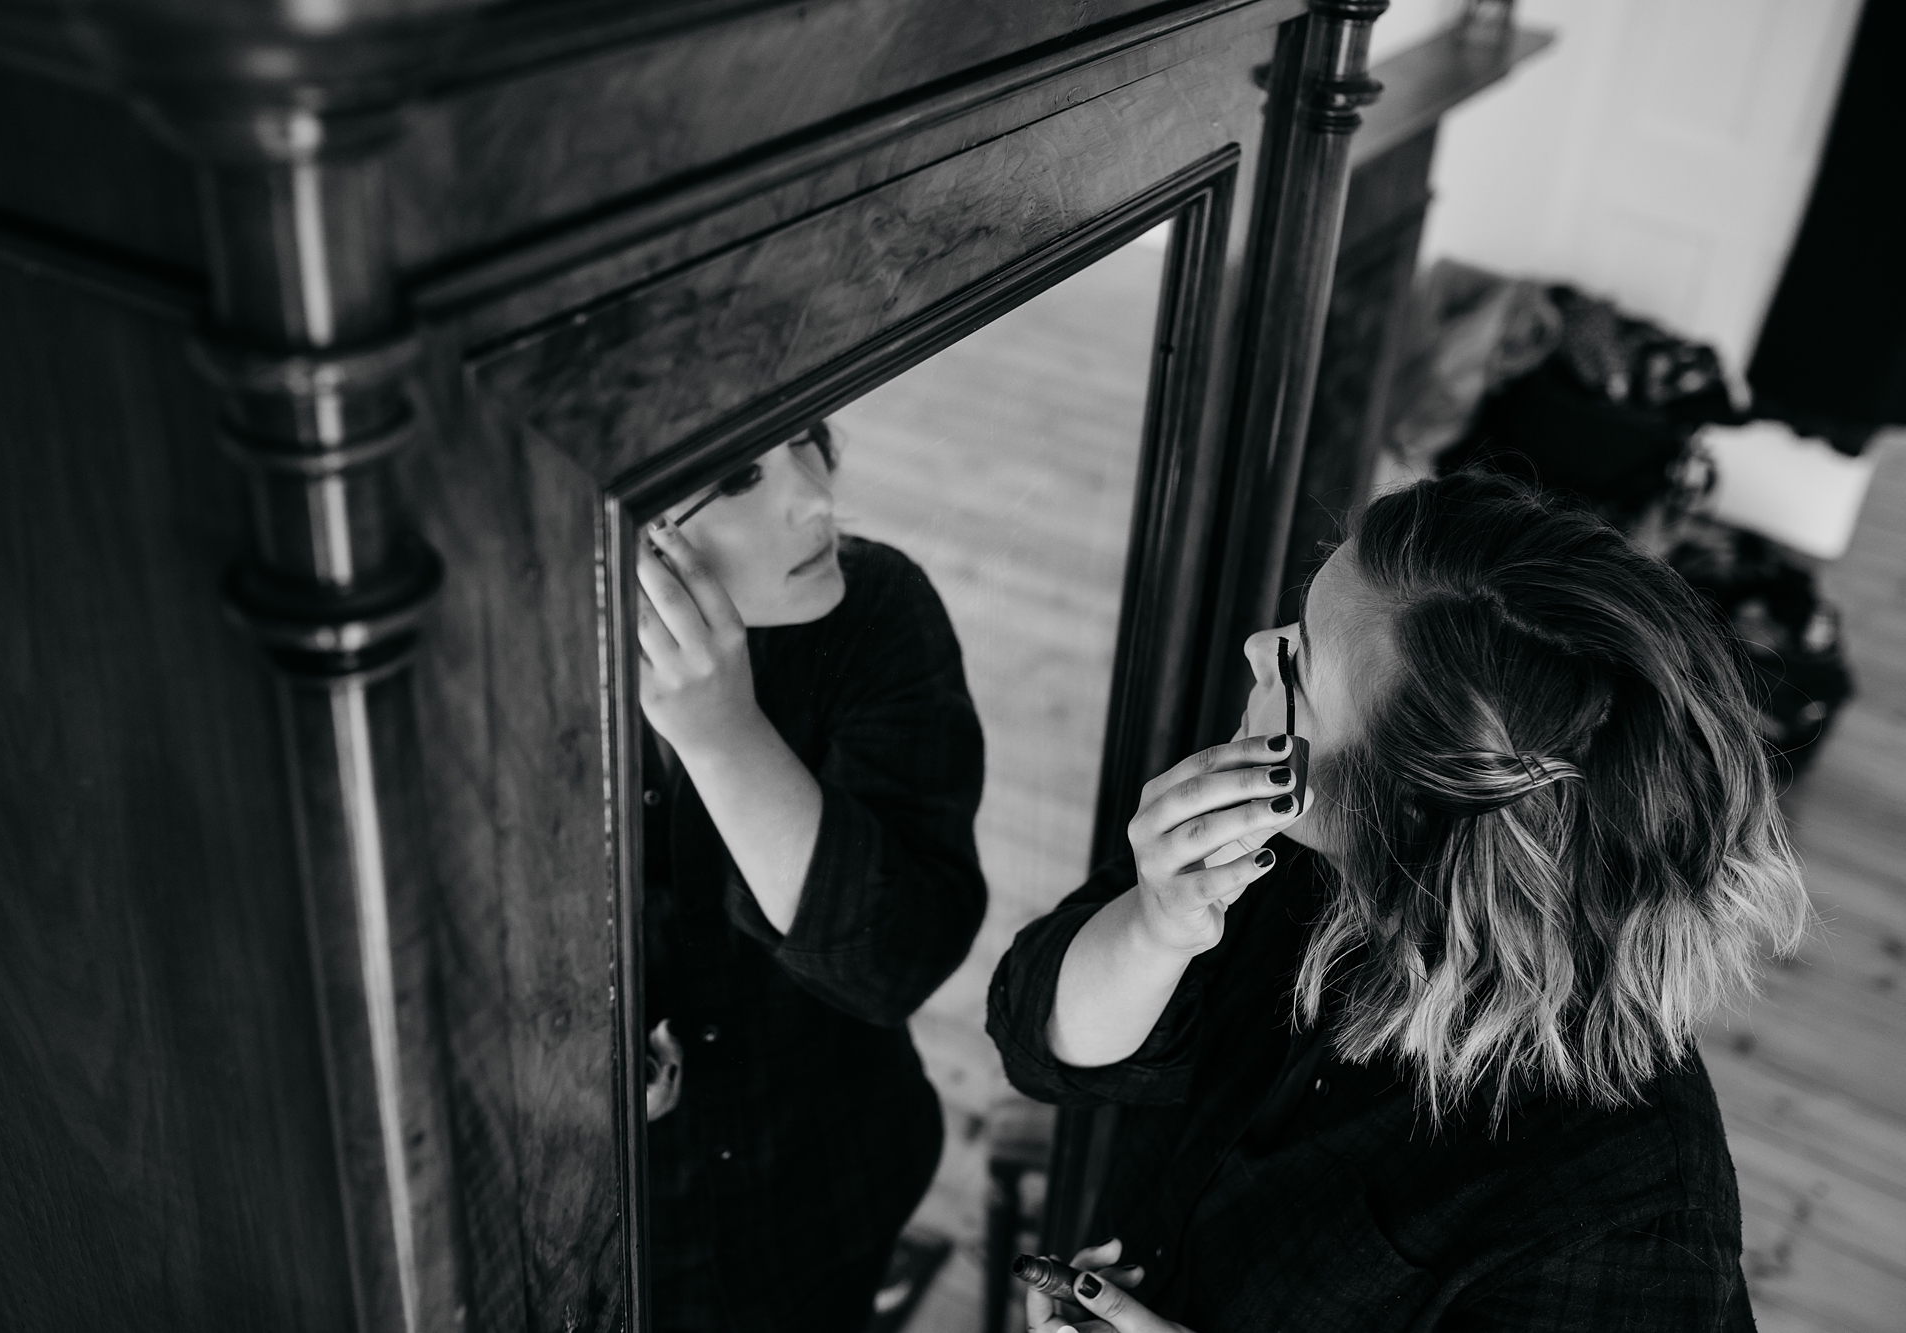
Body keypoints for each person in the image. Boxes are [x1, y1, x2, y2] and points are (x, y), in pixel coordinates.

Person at [988, 470, 1809, 1332]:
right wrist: (1154, 926)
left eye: (1296, 662)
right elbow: (1037, 1043)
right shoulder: (1285, 851)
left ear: (1405, 819)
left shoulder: (1627, 1225)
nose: (1257, 647)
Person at [634, 422, 987, 1333]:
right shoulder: (503, 673)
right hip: (629, 1233)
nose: (817, 495)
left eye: (809, 440)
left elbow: (898, 961)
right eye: (742, 474)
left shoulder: (877, 609)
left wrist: (723, 734)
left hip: (824, 1182)